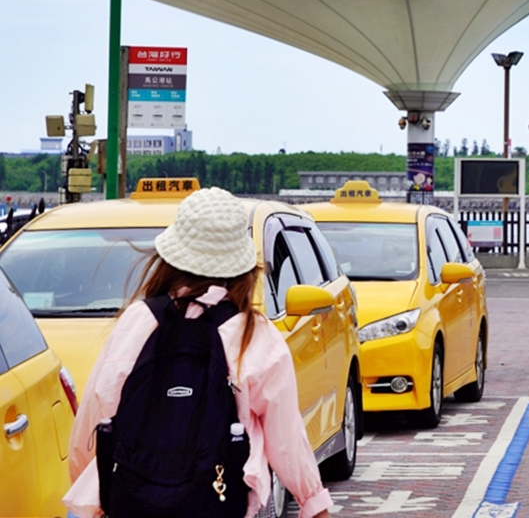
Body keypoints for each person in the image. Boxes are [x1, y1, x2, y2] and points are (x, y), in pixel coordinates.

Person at [64, 187, 334, 518]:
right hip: (217, 501)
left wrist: (96, 493)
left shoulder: (139, 321)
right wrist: (313, 502)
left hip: (132, 501)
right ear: (243, 267)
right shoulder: (253, 334)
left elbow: (93, 420)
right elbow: (287, 440)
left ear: (171, 258)